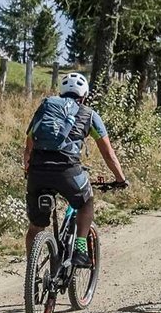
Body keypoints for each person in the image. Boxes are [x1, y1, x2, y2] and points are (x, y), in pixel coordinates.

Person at [25, 72, 129, 267]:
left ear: (61, 93)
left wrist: (28, 172)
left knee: (36, 226)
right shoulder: (89, 114)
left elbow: (28, 147)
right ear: (84, 96)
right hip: (67, 170)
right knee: (86, 202)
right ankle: (80, 250)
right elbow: (108, 154)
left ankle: (32, 272)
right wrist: (120, 178)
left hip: (37, 171)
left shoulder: (46, 108)